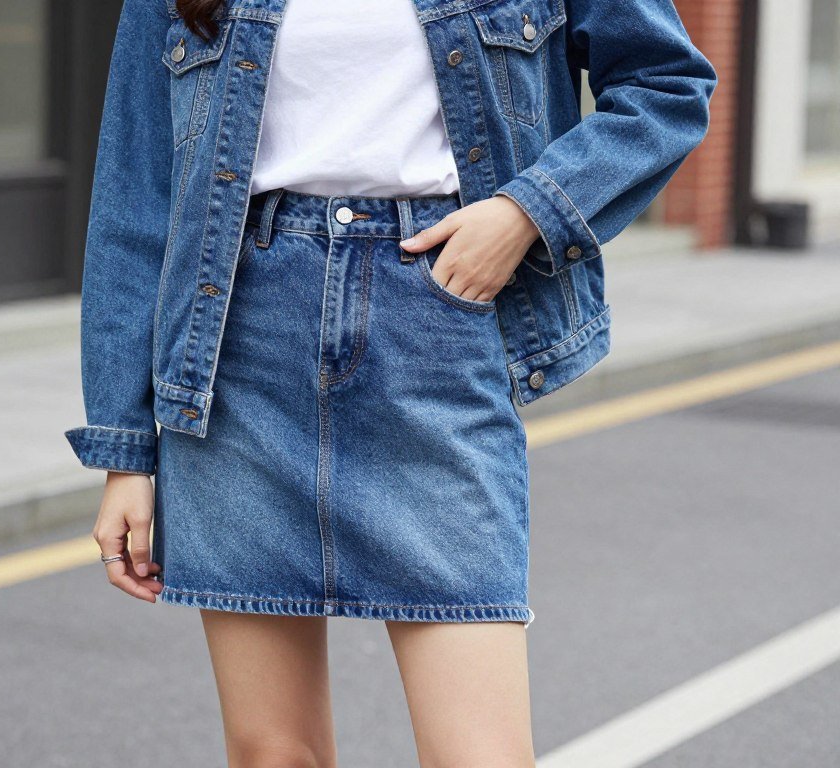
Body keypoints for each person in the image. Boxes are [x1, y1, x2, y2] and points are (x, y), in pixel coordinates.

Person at [65, 0, 716, 764]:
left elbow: (665, 85)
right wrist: (126, 449)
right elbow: (135, 196)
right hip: (237, 345)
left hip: (436, 325)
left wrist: (524, 214)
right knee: (274, 755)